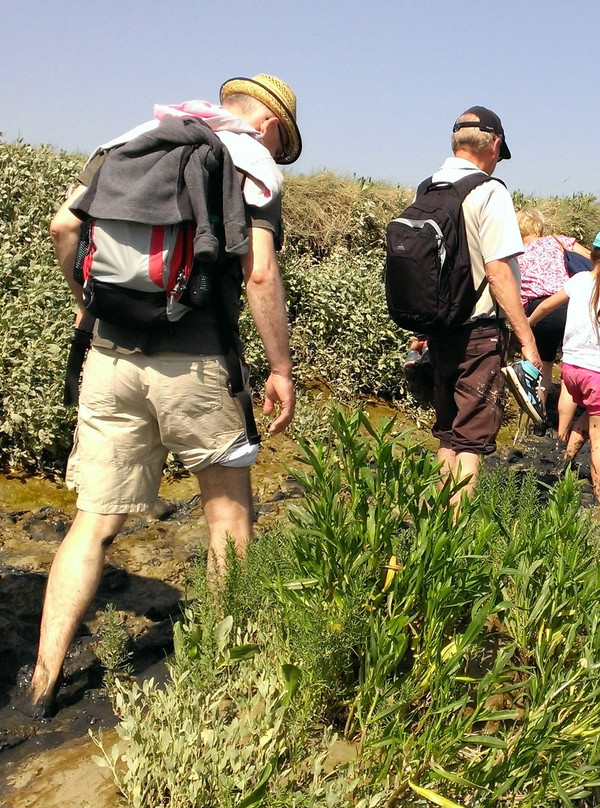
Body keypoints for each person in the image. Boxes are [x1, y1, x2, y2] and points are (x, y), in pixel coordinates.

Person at [19, 74, 300, 718]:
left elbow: (65, 227)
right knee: (227, 513)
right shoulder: (249, 159)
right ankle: (224, 671)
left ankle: (41, 682)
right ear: (270, 125)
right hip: (197, 359)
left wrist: (91, 309)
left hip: (109, 356)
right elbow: (259, 272)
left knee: (93, 524)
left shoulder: (129, 140)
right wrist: (280, 366)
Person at [424, 107, 540, 503]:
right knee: (470, 443)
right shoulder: (489, 191)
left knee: (447, 435)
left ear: (455, 142)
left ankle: (436, 525)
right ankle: (457, 541)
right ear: (495, 145)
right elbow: (499, 274)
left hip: (439, 332)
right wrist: (527, 341)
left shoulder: (428, 189)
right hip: (479, 335)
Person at [528, 228, 600, 504]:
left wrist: (526, 325)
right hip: (599, 374)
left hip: (570, 370)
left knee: (584, 414)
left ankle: (565, 458)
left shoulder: (578, 280)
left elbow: (545, 306)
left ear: (592, 256)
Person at [515, 207, 593, 416]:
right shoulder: (558, 241)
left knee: (544, 364)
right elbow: (592, 258)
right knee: (571, 362)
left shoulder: (514, 252)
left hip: (538, 310)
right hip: (569, 303)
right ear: (539, 226)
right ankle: (571, 417)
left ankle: (537, 412)